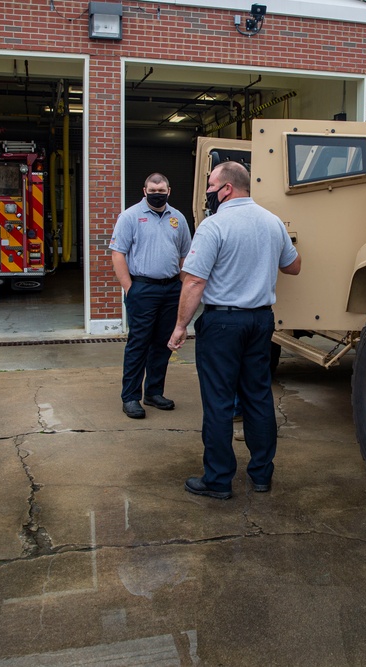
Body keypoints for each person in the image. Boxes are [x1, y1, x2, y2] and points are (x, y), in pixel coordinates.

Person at [168, 161, 301, 499]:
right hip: (260, 321)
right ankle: (260, 476)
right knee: (258, 397)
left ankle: (218, 480)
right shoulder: (272, 221)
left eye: (211, 186)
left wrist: (181, 325)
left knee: (218, 402)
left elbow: (195, 280)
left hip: (223, 323)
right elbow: (294, 266)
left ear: (226, 188)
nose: (209, 193)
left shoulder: (214, 225)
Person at [110, 173, 191, 419]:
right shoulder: (130, 216)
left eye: (162, 189)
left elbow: (185, 255)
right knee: (139, 344)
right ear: (144, 190)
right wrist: (129, 288)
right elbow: (118, 254)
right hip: (142, 289)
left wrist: (181, 285)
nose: (158, 193)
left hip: (171, 290)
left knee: (163, 345)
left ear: (169, 190)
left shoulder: (178, 218)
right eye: (153, 189)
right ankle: (131, 397)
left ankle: (154, 393)